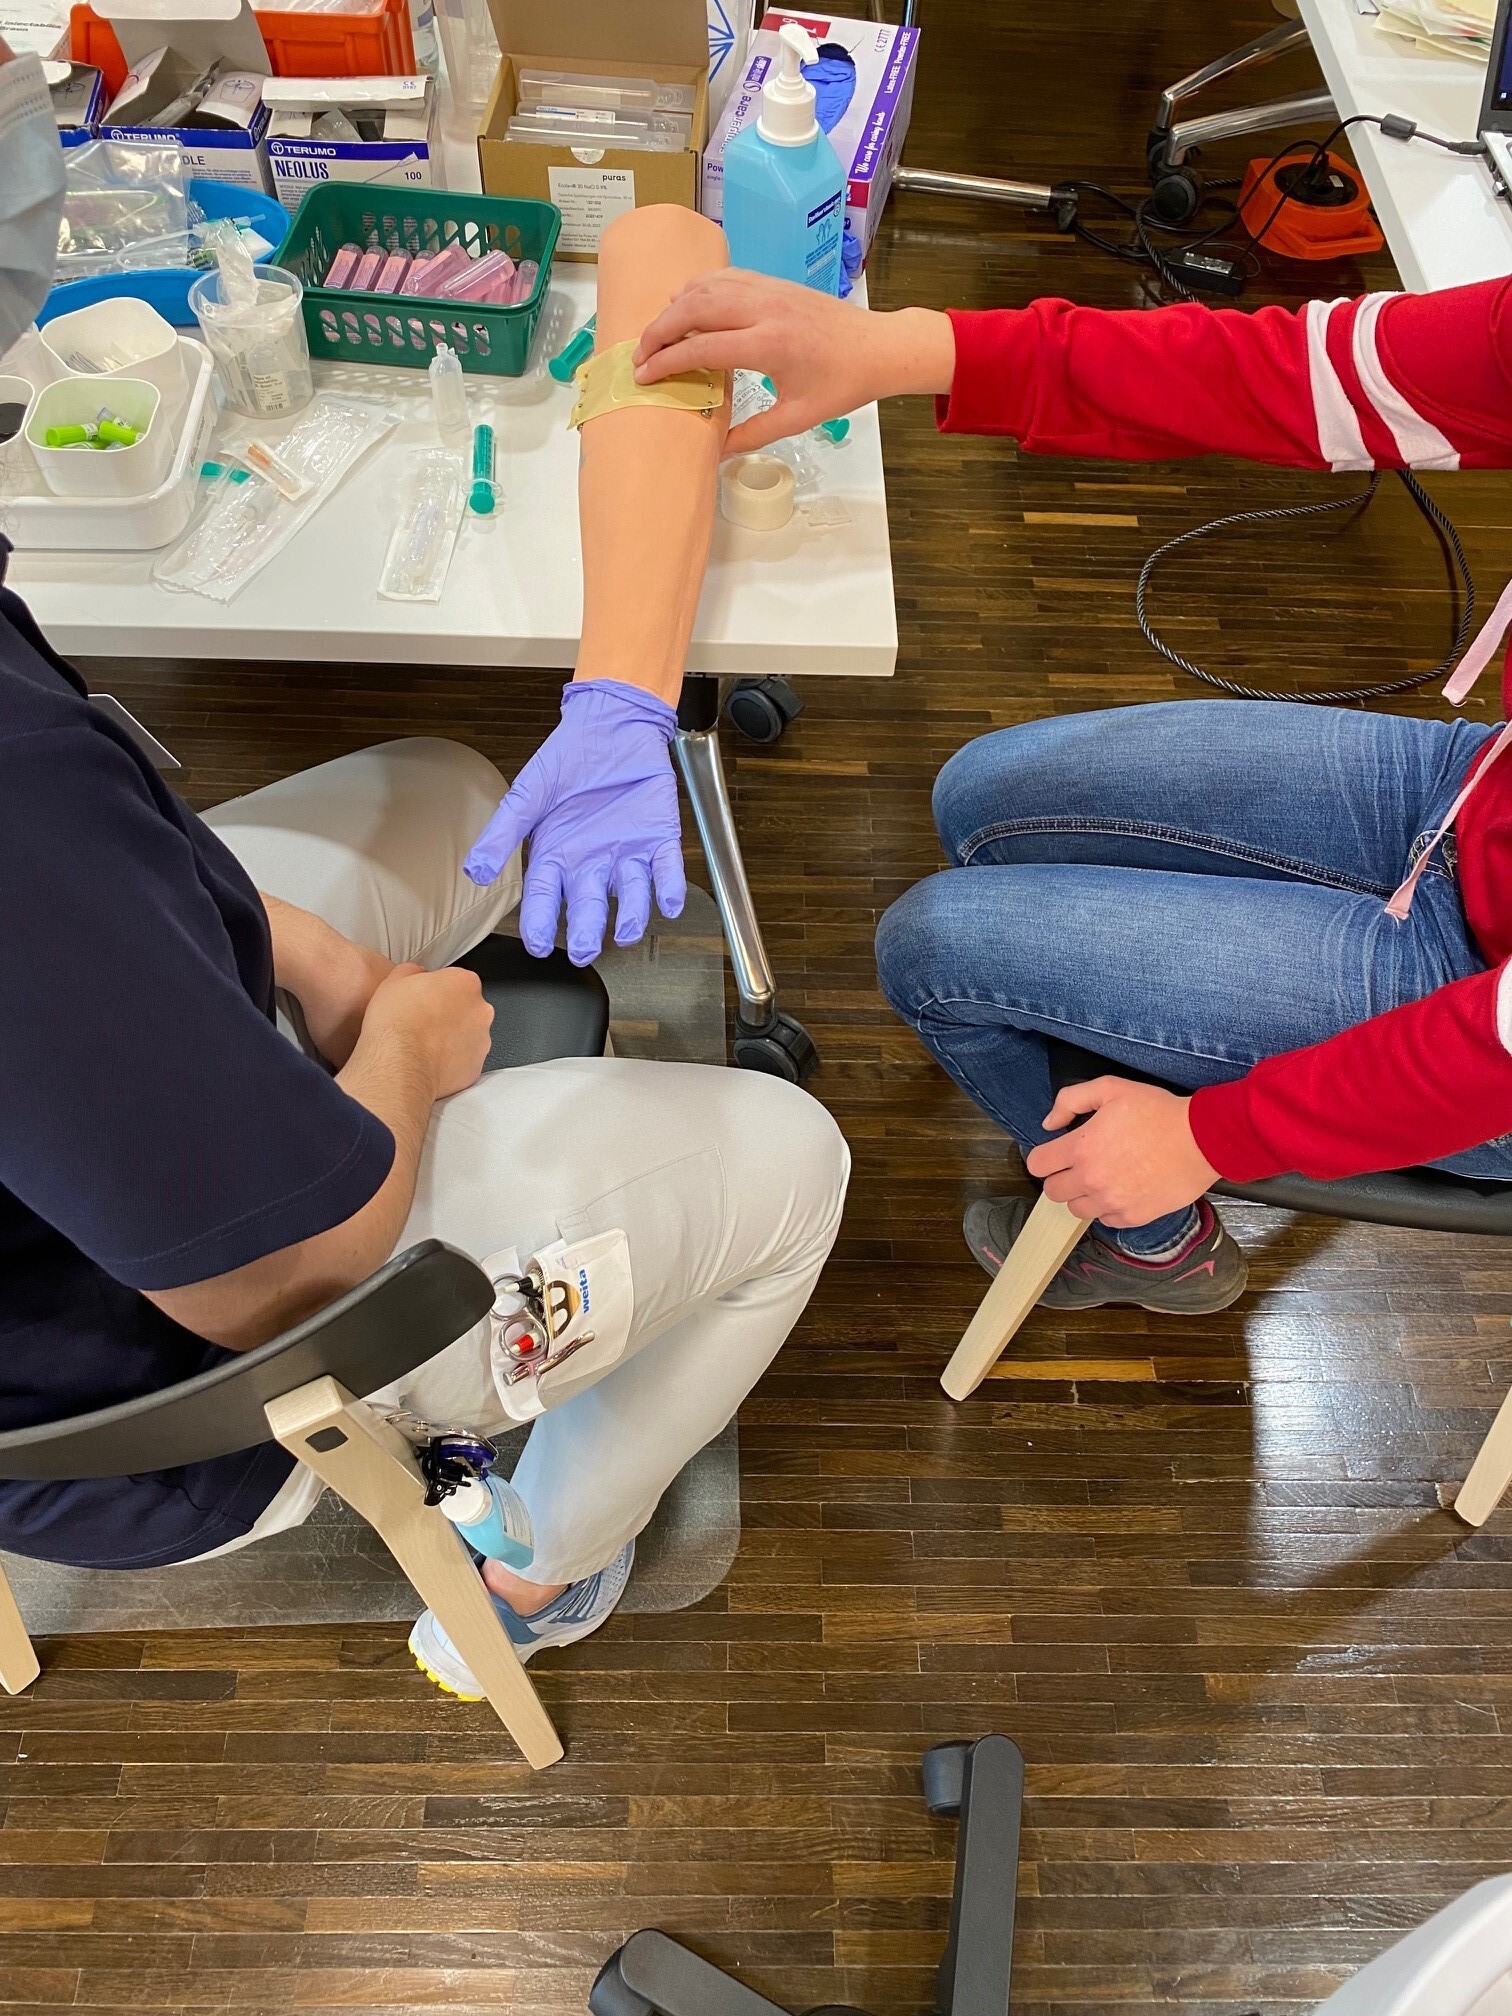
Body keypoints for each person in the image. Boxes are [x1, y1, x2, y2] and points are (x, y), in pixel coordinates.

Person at [0, 60, 848, 1695]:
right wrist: (402, 1048)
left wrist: (304, 960)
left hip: (89, 1149)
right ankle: (514, 1553)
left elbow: (666, 250)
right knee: (793, 1166)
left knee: (451, 795)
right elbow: (299, 1277)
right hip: (164, 1386)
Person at [629, 263, 1512, 1315]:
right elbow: (1291, 370)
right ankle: (1099, 1046)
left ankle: (1152, 1242)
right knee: (984, 800)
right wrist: (911, 345)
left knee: (934, 946)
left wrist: (1202, 1137)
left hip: (1484, 1032)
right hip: (1470, 802)